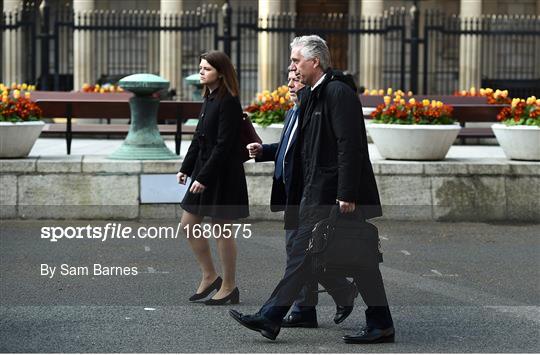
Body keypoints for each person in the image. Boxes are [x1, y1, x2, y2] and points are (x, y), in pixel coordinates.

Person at [229, 35, 394, 343]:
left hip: (332, 194)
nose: (292, 67)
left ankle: (271, 315)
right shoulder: (312, 97)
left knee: (309, 254)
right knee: (359, 260)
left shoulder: (337, 92)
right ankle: (380, 321)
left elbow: (350, 146)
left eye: (295, 61)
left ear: (314, 62)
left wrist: (347, 193)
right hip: (314, 193)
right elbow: (302, 148)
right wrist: (267, 153)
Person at [246, 68, 358, 328]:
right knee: (300, 253)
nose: (291, 85)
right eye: (288, 80)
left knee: (302, 253)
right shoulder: (291, 113)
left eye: (296, 80)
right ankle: (309, 308)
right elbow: (289, 150)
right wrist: (264, 151)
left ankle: (304, 306)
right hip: (292, 194)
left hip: (308, 194)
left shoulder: (311, 112)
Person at [177, 50, 249, 306]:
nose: (201, 72)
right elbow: (199, 138)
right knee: (188, 224)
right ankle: (210, 275)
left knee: (222, 230)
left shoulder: (228, 100)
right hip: (205, 172)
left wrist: (204, 177)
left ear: (220, 72)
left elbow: (224, 144)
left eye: (206, 69)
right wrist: (186, 169)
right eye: (200, 68)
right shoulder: (209, 98)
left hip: (223, 174)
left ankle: (229, 286)